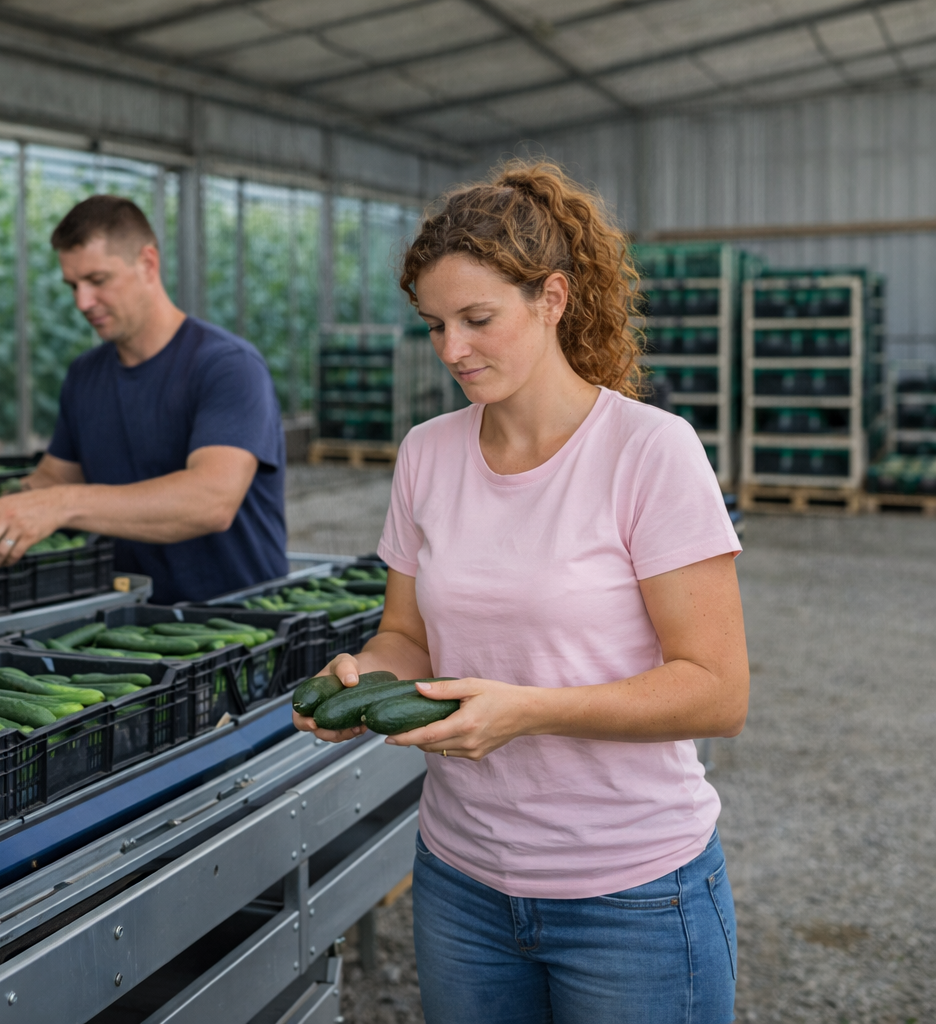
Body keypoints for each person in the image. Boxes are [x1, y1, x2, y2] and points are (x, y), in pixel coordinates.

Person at [295, 162, 748, 1023]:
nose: (451, 351)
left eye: (477, 320)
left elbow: (718, 690)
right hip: (461, 882)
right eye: (434, 326)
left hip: (634, 894)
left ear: (552, 298)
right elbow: (407, 636)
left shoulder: (649, 452)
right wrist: (363, 674)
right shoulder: (427, 453)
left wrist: (528, 709)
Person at [0, 195, 287, 605]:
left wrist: (62, 505)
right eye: (73, 286)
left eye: (97, 280)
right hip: (126, 630)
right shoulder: (85, 375)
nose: (82, 302)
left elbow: (211, 500)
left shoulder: (226, 366)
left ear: (148, 263)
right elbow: (57, 478)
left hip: (236, 627)